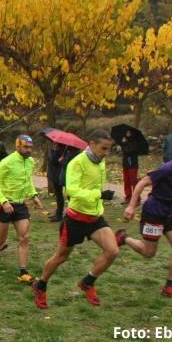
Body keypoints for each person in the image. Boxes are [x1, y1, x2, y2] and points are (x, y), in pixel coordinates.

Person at [31, 129, 119, 310]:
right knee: (61, 257)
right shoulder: (77, 163)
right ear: (92, 144)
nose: (106, 153)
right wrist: (98, 194)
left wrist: (98, 199)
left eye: (109, 149)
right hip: (75, 218)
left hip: (95, 217)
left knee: (112, 251)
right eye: (104, 148)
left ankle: (87, 282)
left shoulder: (100, 161)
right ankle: (40, 285)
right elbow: (71, 191)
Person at [118, 141, 172, 300]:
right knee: (149, 253)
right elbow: (142, 182)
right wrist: (131, 206)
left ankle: (169, 286)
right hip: (154, 211)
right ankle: (123, 238)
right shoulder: (167, 169)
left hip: (169, 211)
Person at [0, 135, 44, 281]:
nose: (29, 150)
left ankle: (23, 272)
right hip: (5, 205)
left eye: (31, 147)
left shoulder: (30, 162)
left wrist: (34, 196)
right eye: (26, 147)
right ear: (18, 146)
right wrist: (4, 202)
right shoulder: (7, 162)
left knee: (24, 237)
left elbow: (28, 181)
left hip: (20, 205)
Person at [46, 142, 68, 222]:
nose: (54, 145)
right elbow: (51, 161)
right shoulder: (54, 150)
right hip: (54, 175)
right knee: (58, 195)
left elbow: (54, 161)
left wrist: (60, 159)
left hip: (59, 176)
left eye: (56, 144)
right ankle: (58, 214)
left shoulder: (63, 152)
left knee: (61, 195)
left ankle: (60, 215)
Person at [120, 130, 140, 204]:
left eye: (129, 132)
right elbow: (124, 150)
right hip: (125, 164)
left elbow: (129, 151)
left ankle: (137, 198)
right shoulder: (125, 140)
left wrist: (124, 143)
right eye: (127, 132)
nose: (127, 134)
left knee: (134, 182)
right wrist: (123, 143)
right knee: (126, 181)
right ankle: (128, 197)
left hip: (133, 165)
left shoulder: (135, 141)